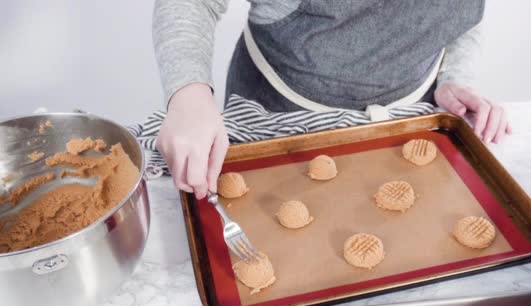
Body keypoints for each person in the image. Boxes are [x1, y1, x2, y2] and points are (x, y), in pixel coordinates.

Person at [152, 0, 511, 200]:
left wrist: (455, 79)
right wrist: (189, 96)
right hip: (277, 116)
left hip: (411, 119)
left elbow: (464, 14)